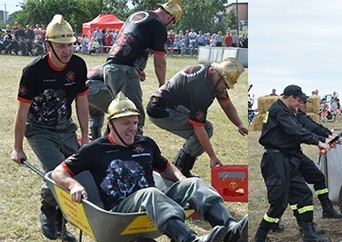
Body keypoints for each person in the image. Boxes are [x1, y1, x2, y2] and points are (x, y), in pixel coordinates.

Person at [50, 94, 249, 242]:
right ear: (111, 124)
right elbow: (58, 173)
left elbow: (165, 167)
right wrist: (74, 184)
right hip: (121, 210)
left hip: (153, 203)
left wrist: (181, 180)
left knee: (193, 182)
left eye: (135, 122)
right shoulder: (95, 149)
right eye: (125, 123)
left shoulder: (145, 144)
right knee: (150, 193)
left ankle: (231, 232)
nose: (132, 128)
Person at [11, 14, 89, 242]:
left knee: (76, 171)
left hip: (65, 127)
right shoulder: (33, 70)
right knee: (58, 173)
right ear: (48, 45)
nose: (67, 51)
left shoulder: (78, 65)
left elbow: (82, 103)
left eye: (70, 45)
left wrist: (84, 137)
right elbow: (22, 112)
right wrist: (17, 148)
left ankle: (54, 213)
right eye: (61, 45)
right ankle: (50, 213)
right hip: (39, 129)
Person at [251, 85, 331, 242]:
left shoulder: (288, 111)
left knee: (303, 194)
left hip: (288, 158)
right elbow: (296, 131)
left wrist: (324, 137)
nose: (301, 104)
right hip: (275, 160)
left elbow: (305, 127)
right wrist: (318, 142)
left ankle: (308, 233)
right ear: (291, 97)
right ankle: (259, 239)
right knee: (279, 203)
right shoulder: (279, 111)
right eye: (299, 100)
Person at [146, 57, 248, 177]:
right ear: (217, 74)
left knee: (204, 129)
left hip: (162, 104)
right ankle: (180, 169)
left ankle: (179, 168)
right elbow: (198, 128)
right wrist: (212, 156)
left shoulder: (211, 77)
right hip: (161, 111)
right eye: (225, 84)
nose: (225, 88)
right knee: (206, 128)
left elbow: (226, 105)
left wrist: (239, 124)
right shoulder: (202, 89)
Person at [104, 0, 183, 134]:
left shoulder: (137, 15)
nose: (169, 27)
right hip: (125, 71)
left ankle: (107, 148)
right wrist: (162, 85)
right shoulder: (158, 25)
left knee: (119, 115)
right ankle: (133, 151)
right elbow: (159, 61)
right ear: (170, 17)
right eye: (172, 24)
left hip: (110, 67)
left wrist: (138, 69)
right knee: (134, 117)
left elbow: (132, 41)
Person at [86, 65, 114, 139]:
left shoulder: (102, 67)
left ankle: (96, 140)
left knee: (95, 115)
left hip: (84, 89)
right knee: (117, 114)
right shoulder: (118, 68)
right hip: (96, 87)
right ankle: (106, 140)